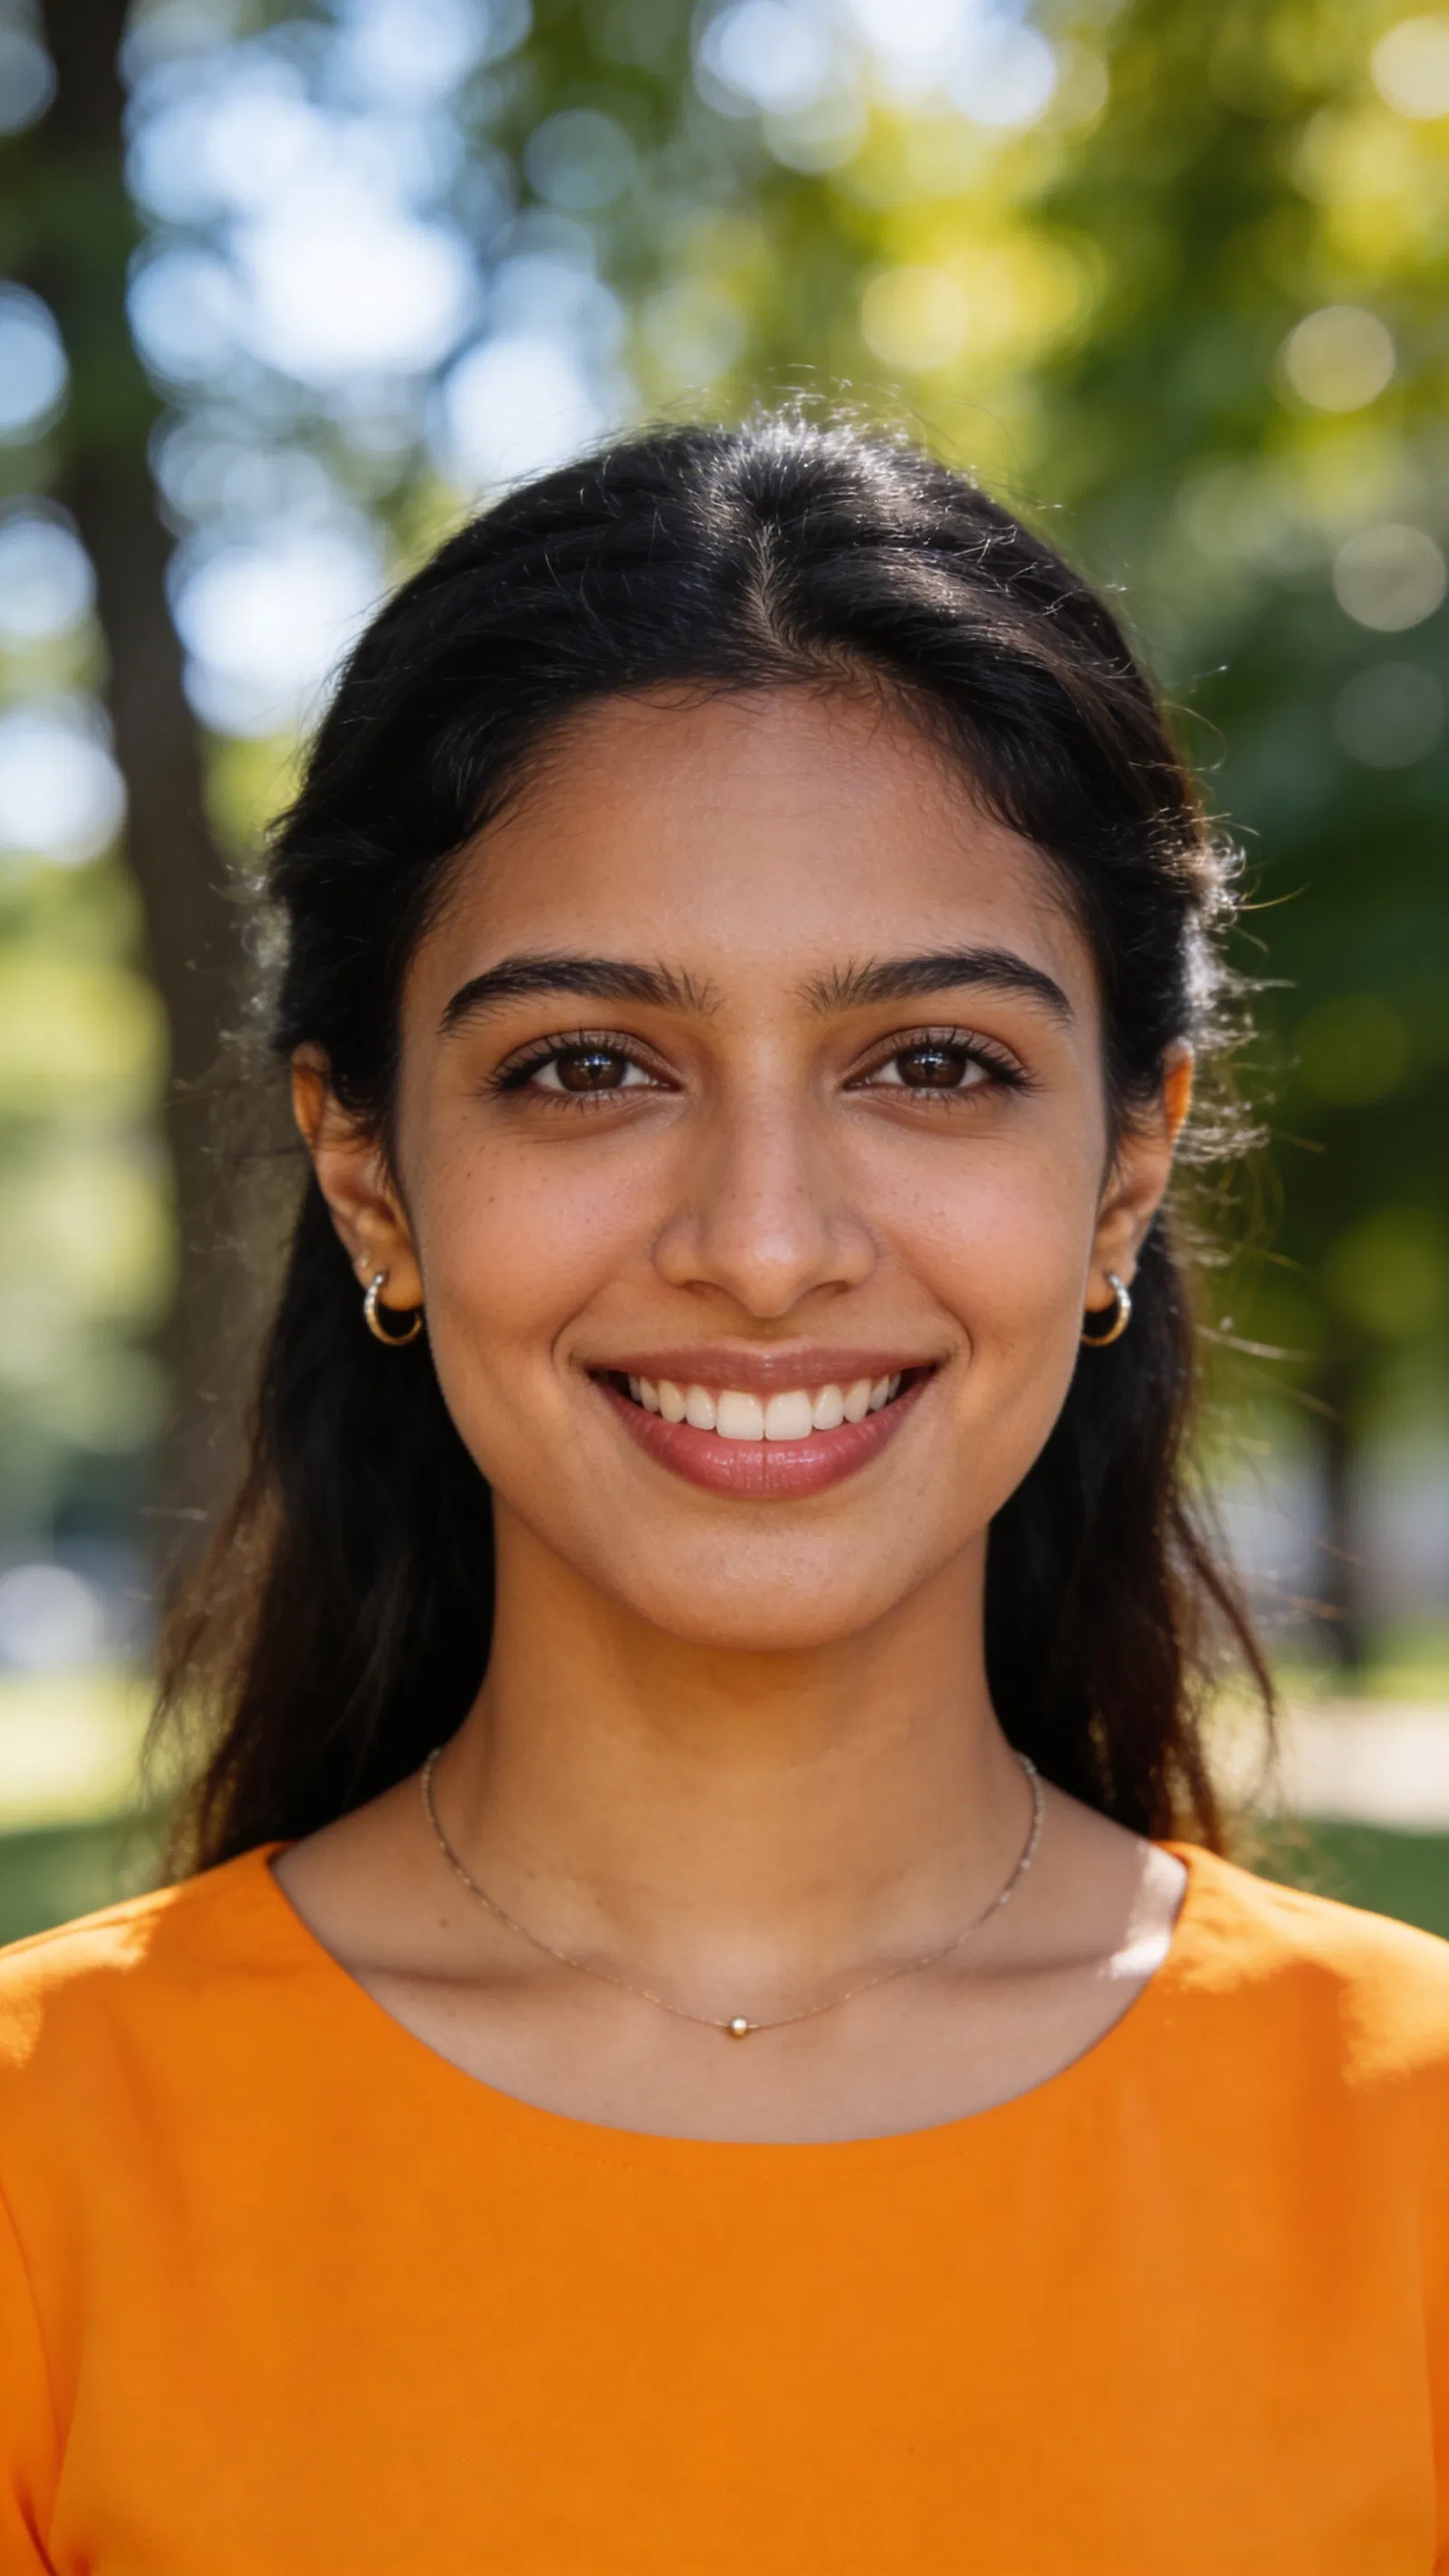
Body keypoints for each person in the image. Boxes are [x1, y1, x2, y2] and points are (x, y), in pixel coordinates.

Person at [1, 417, 1444, 2574]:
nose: (762, 1246)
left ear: (1120, 1173)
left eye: (929, 1063)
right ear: (368, 1172)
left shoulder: (1407, 2144)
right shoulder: (48, 2168)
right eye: (587, 1065)